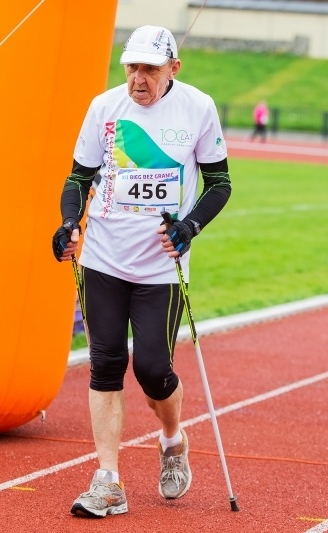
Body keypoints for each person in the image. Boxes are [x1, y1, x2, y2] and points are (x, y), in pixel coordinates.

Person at [51, 25, 232, 518]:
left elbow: (219, 184)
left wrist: (189, 226)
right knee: (106, 364)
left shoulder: (198, 108)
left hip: (161, 266)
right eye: (132, 67)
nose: (138, 78)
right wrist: (70, 222)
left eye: (150, 69)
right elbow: (77, 177)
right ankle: (108, 480)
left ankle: (172, 439)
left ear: (173, 68)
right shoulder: (104, 107)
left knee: (153, 369)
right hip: (103, 259)